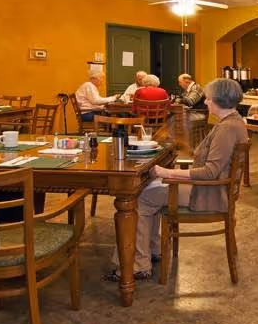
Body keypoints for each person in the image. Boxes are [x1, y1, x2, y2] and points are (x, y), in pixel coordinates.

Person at [104, 78, 249, 281]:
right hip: (211, 189)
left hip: (208, 193)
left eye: (208, 99)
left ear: (219, 100)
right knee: (148, 192)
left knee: (139, 199)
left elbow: (210, 172)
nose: (206, 102)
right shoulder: (234, 122)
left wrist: (167, 173)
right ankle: (151, 251)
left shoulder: (226, 129)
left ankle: (138, 264)